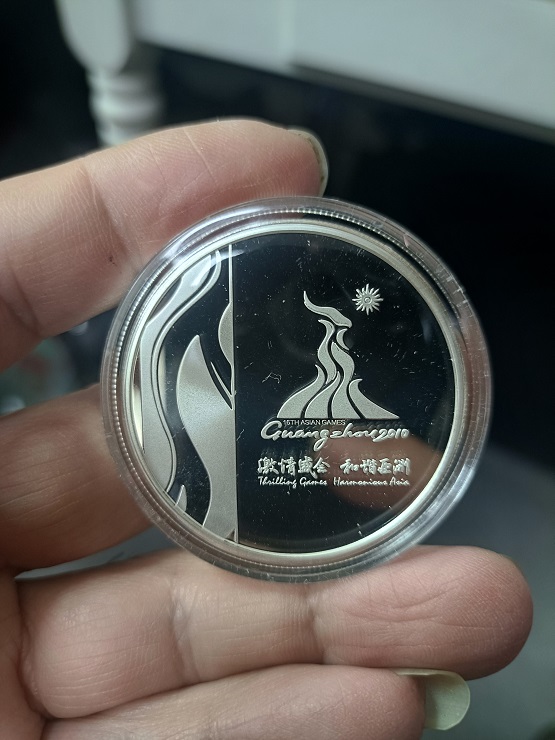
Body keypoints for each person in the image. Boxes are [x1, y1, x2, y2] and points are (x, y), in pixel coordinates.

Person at [0, 120, 532, 739]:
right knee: (332, 387)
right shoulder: (283, 331)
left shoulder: (346, 339)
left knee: (341, 389)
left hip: (333, 437)